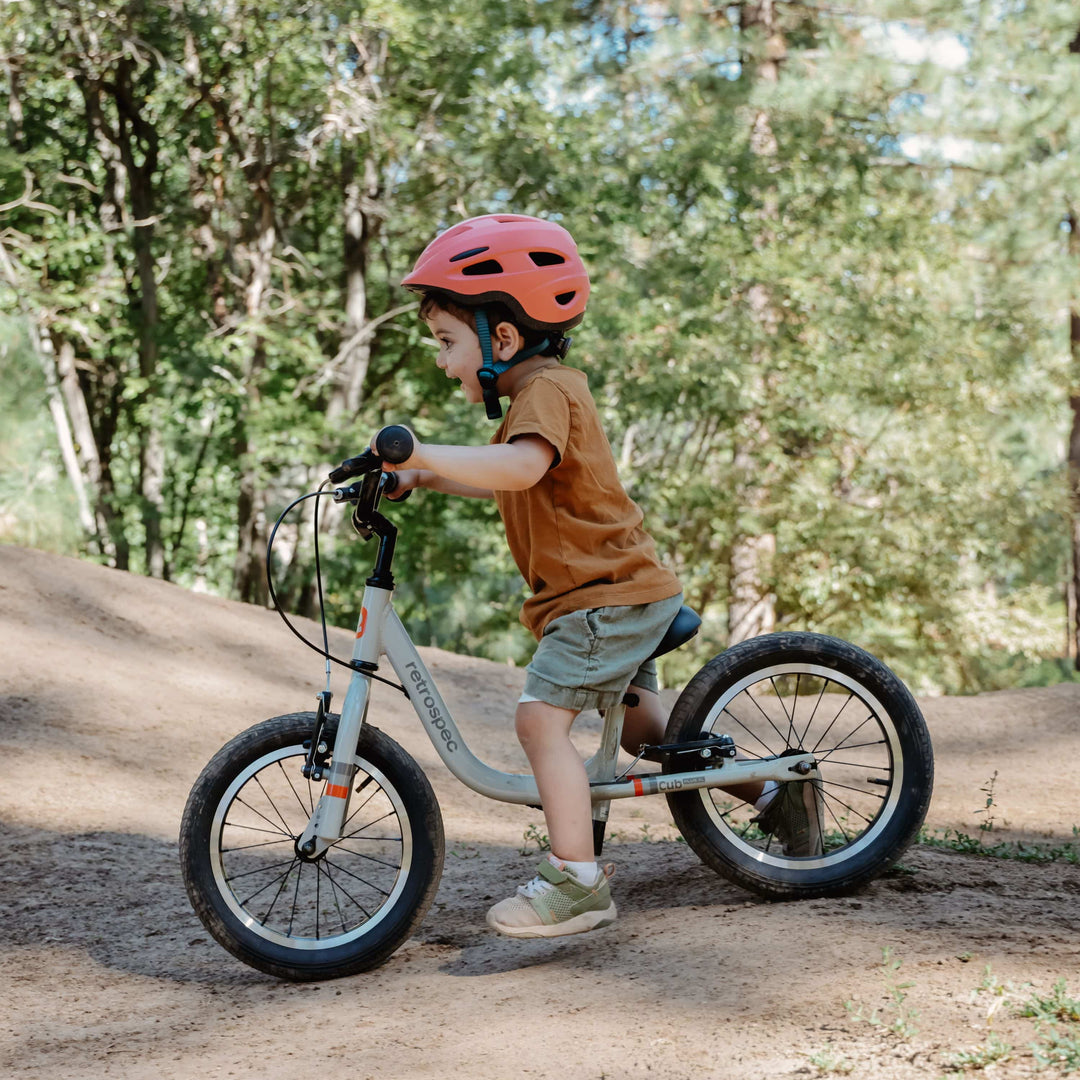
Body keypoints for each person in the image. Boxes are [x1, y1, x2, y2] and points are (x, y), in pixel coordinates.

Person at [373, 213, 820, 939]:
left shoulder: (546, 392)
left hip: (601, 602)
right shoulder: (536, 398)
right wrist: (422, 475)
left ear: (503, 339)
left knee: (537, 720)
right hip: (611, 594)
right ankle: (776, 792)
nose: (442, 361)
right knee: (649, 736)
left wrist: (423, 451)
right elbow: (512, 480)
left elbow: (521, 468)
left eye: (448, 342)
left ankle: (577, 882)